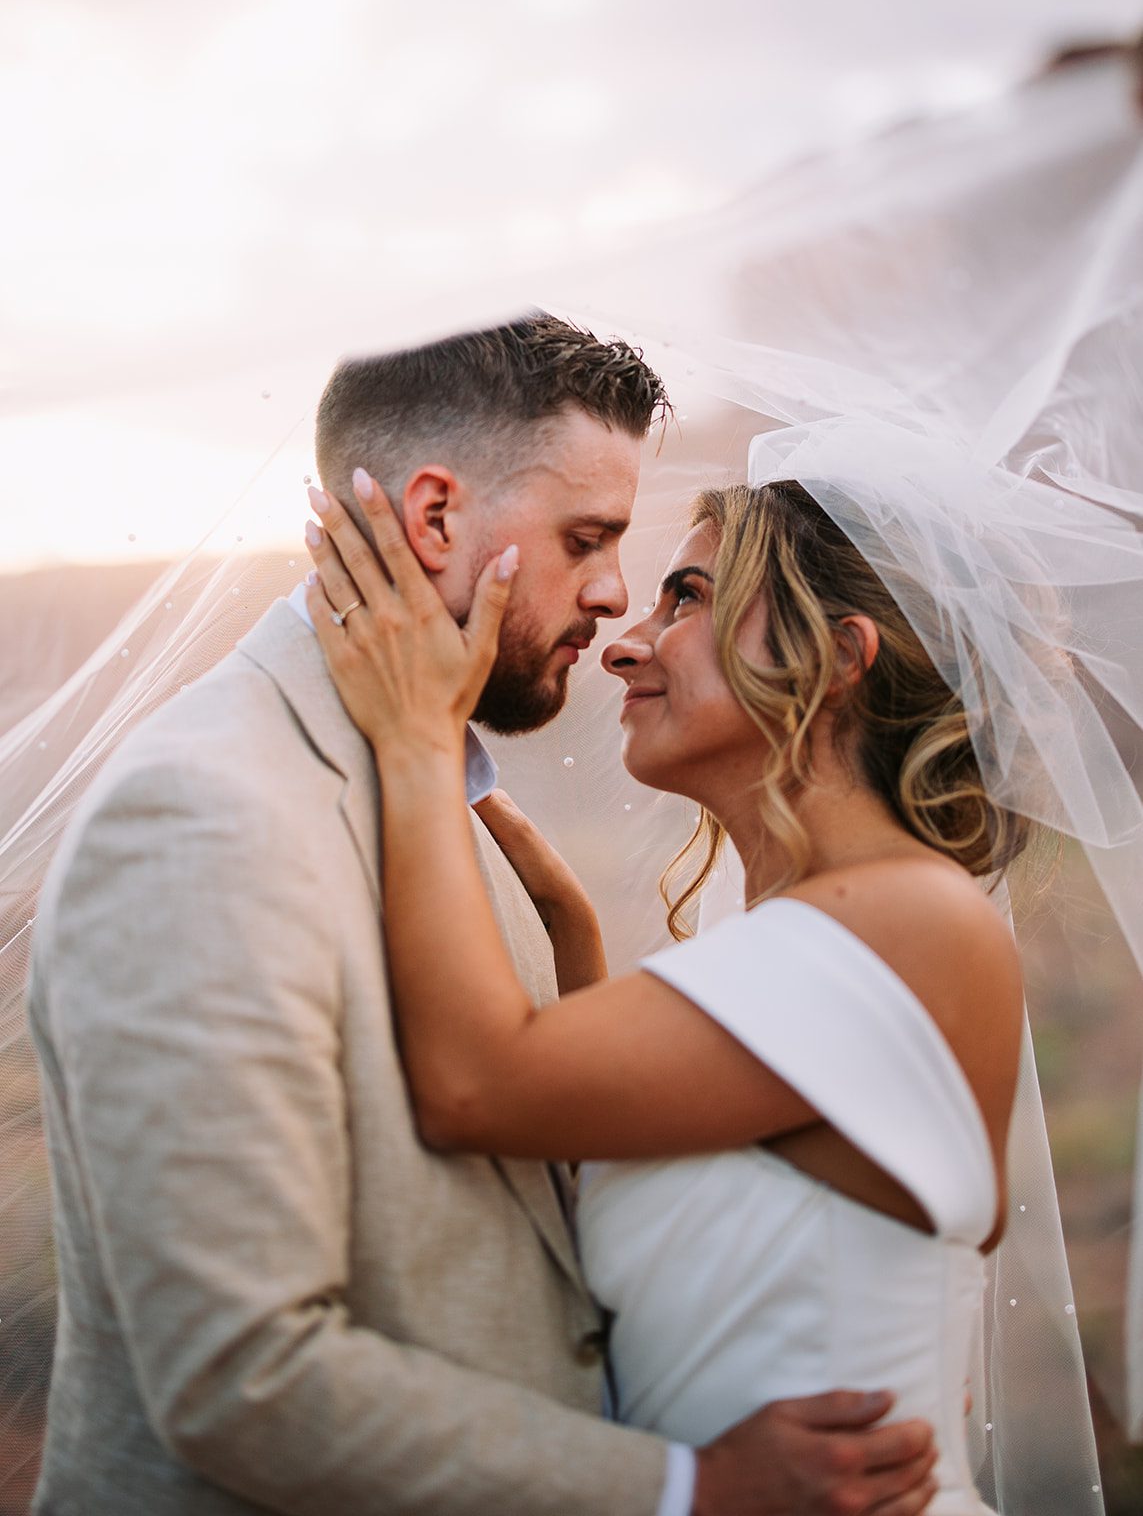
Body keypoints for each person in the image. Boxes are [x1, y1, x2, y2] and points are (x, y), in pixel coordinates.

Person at [25, 315, 938, 1516]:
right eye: (587, 538)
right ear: (439, 518)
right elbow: (241, 1374)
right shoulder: (210, 813)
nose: (614, 596)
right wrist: (689, 1487)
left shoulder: (444, 803)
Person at [302, 465, 1031, 1515]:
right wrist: (577, 944)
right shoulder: (827, 931)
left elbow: (469, 1086)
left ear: (835, 659)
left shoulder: (913, 919)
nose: (627, 641)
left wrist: (418, 734)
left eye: (687, 597)